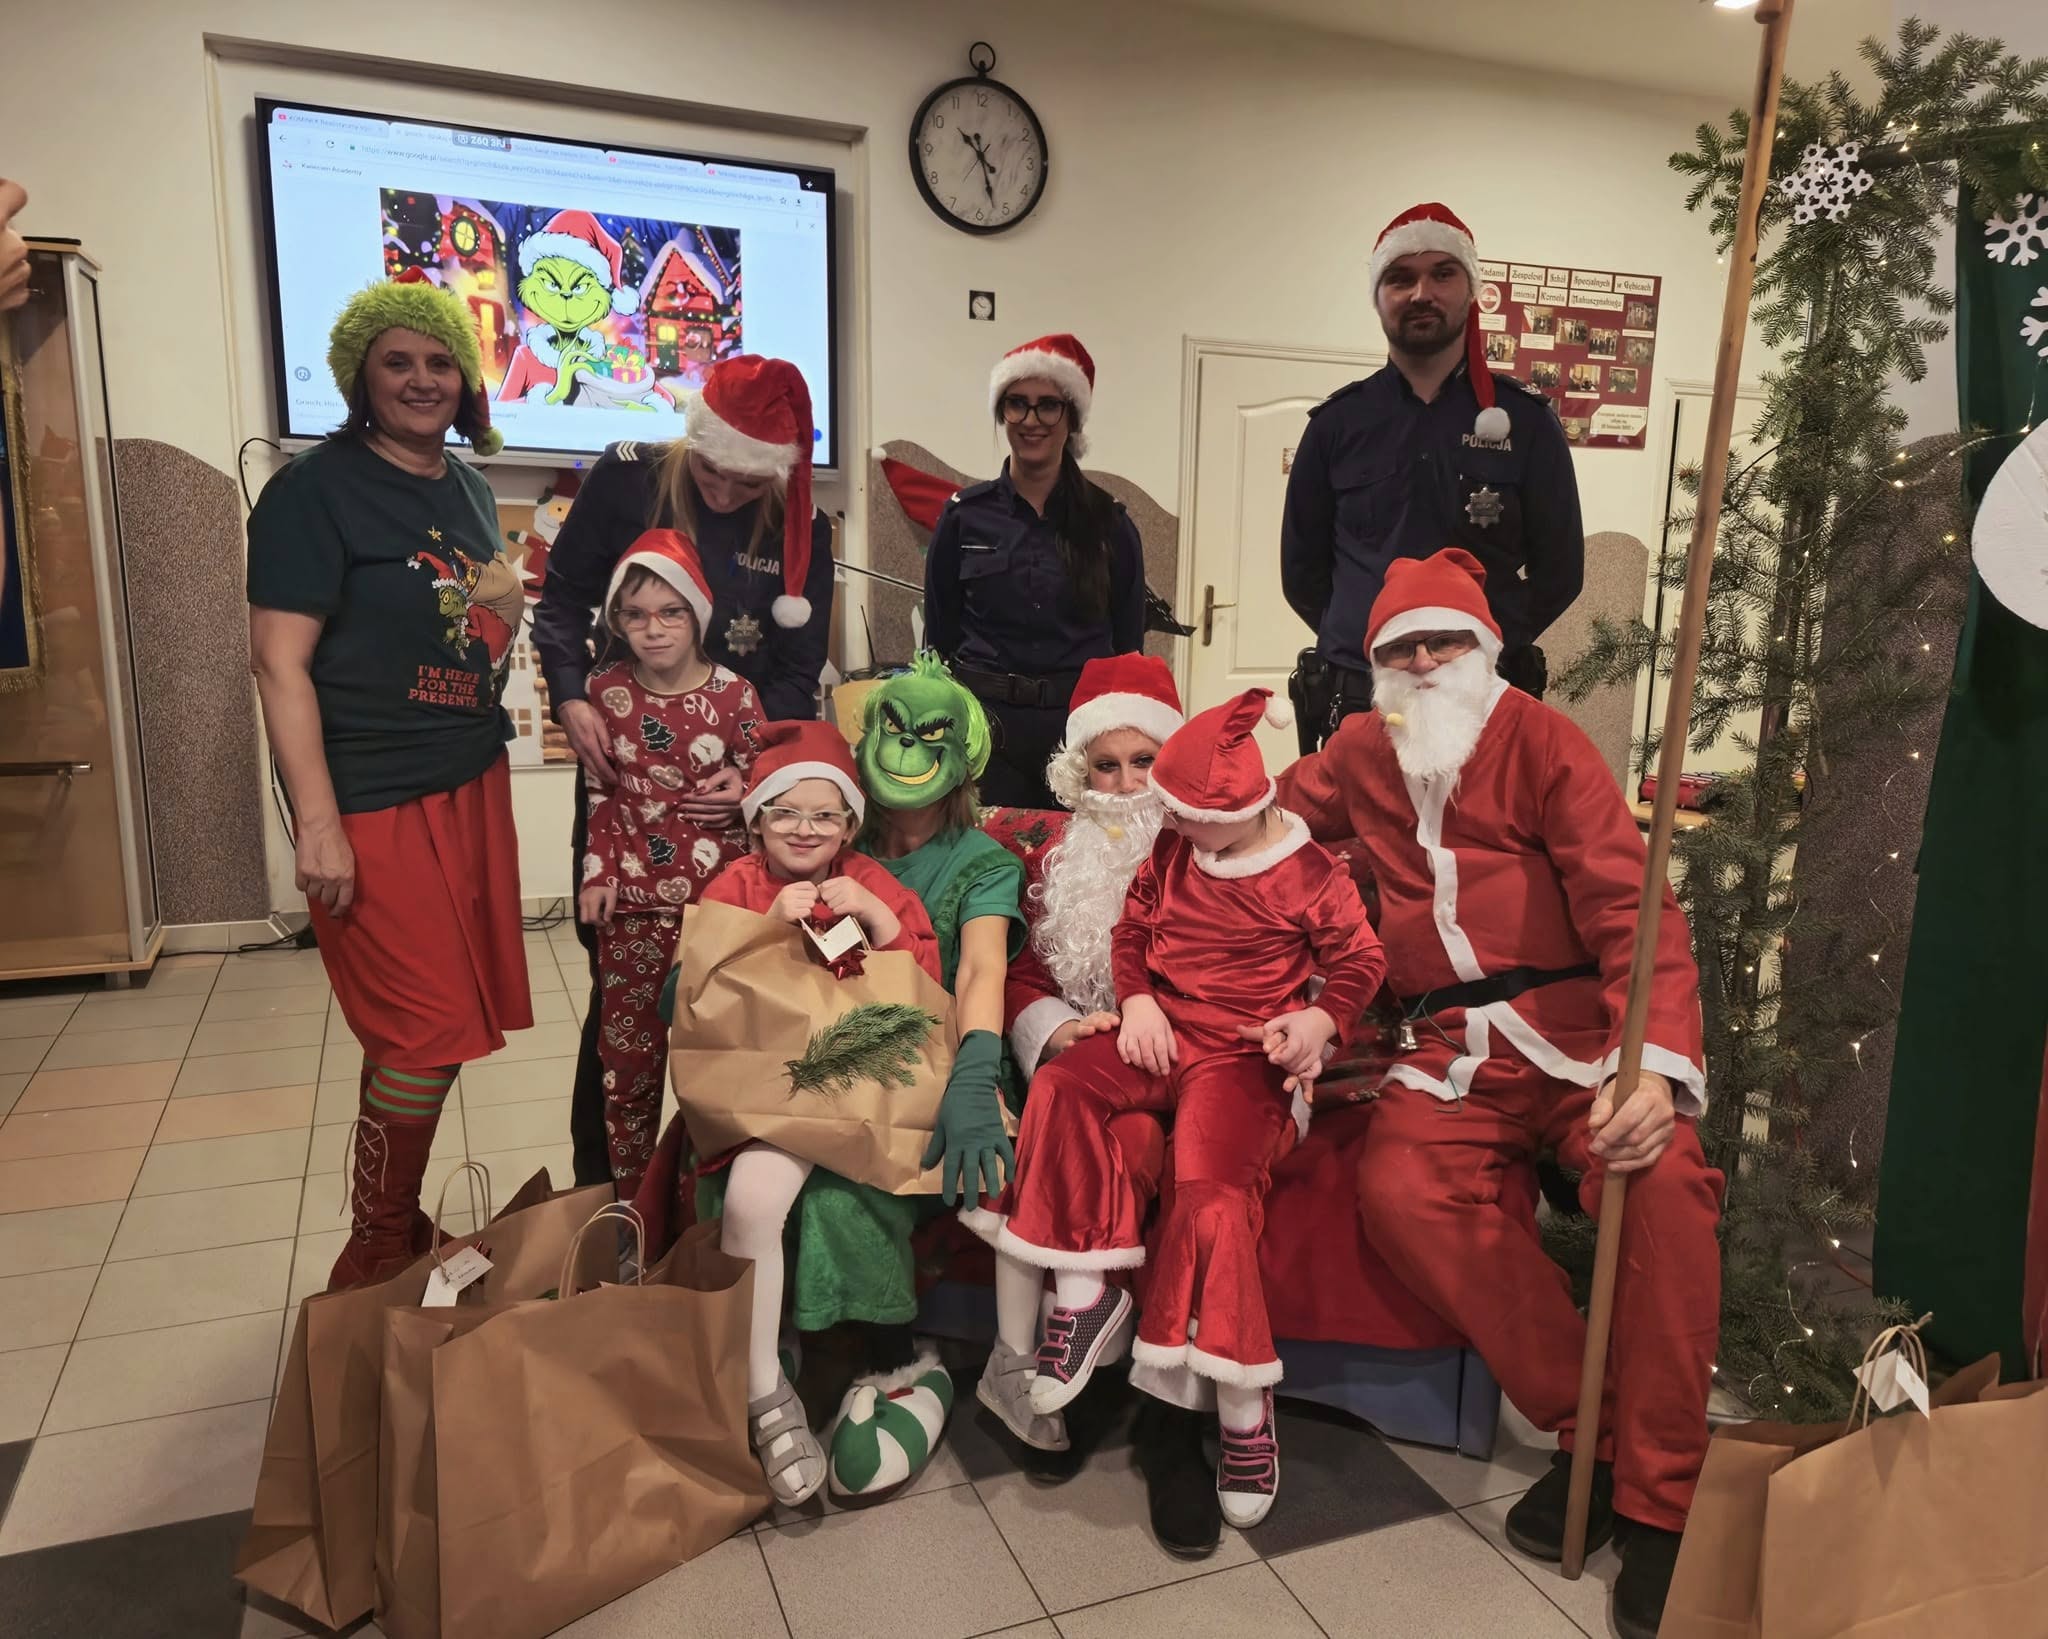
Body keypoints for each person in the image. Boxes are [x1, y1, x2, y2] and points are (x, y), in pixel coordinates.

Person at [1276, 547, 1722, 1639]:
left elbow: (1632, 911)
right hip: (1448, 1049)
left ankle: (1664, 1496)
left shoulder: (1545, 744)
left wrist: (1652, 1066)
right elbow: (1264, 816)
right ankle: (1590, 1430)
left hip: (1583, 1038)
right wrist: (1155, 805)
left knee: (1663, 1188)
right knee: (1402, 1190)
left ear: (1484, 649)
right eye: (1402, 648)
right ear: (1376, 666)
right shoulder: (1359, 750)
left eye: (1445, 641)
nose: (1425, 661)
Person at [969, 689, 1387, 1535]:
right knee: (1064, 1089)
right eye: (1109, 767)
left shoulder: (1309, 872)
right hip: (1157, 1032)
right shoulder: (1169, 845)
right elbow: (1132, 929)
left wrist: (1320, 1020)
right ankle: (1082, 1299)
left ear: (1243, 805)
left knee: (1212, 1200)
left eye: (1190, 813)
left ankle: (1241, 1413)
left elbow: (1358, 959)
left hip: (1242, 1056)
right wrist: (1138, 999)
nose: (1168, 820)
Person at [246, 271, 530, 1290]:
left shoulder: (464, 487)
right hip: (371, 796)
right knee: (423, 1031)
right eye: (397, 361)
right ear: (359, 376)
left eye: (440, 361)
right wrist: (317, 824)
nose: (421, 379)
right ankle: (372, 1250)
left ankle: (395, 1221)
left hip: (468, 779)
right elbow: (277, 662)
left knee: (418, 1031)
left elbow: (470, 632)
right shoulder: (313, 492)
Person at [532, 354, 834, 1187]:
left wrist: (757, 772)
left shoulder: (803, 526)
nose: (727, 493)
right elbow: (560, 602)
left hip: (734, 796)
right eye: (711, 472)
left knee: (732, 997)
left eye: (747, 480)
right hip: (625, 782)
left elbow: (797, 669)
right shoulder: (625, 478)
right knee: (620, 1006)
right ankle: (607, 1191)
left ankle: (719, 1191)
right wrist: (571, 697)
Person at [694, 720, 942, 1507]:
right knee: (749, 1198)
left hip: (856, 1089)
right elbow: (694, 989)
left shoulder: (869, 879)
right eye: (787, 812)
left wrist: (877, 917)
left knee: (796, 1196)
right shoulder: (732, 886)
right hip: (769, 1093)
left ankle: (848, 1353)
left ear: (849, 824)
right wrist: (767, 925)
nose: (805, 829)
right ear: (758, 818)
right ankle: (764, 1391)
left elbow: (926, 989)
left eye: (825, 814)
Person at [1281, 202, 1584, 746]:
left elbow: (1560, 572)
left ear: (1471, 291)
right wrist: (1363, 636)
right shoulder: (1336, 426)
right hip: (1361, 698)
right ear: (1378, 297)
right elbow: (1302, 574)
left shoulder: (1526, 423)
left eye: (1442, 274)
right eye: (1400, 278)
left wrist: (1485, 642)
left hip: (1486, 696)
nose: (1421, 293)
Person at [576, 529, 762, 1197]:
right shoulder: (604, 691)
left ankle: (708, 1206)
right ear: (617, 620)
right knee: (628, 1071)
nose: (652, 629)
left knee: (720, 1065)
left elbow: (770, 790)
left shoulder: (737, 695)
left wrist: (747, 790)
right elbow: (599, 792)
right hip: (632, 912)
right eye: (635, 615)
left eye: (669, 612)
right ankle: (632, 1209)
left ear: (696, 615)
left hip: (720, 916)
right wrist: (597, 873)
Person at [924, 333, 1147, 809]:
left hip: (1079, 734)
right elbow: (938, 643)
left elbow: (1128, 651)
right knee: (987, 851)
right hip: (984, 732)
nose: (1031, 420)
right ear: (1002, 412)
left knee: (1077, 853)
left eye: (1048, 406)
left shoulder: (1109, 524)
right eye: (1017, 404)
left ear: (1071, 418)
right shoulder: (964, 516)